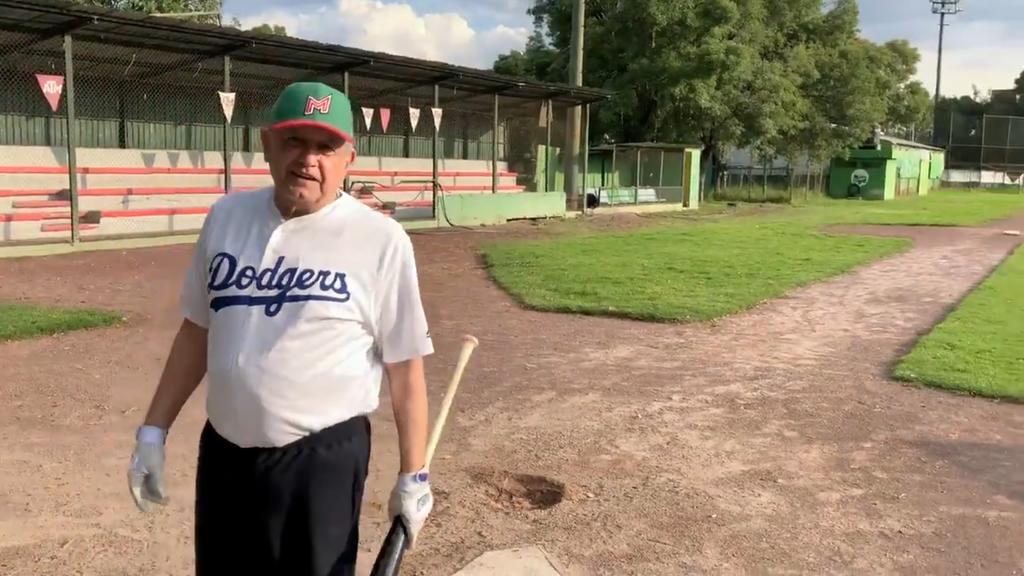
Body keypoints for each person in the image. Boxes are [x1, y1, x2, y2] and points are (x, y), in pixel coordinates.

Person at [126, 81, 435, 576]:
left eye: (325, 147)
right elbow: (196, 331)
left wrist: (413, 474)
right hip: (225, 451)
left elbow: (405, 370)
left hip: (321, 460)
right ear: (267, 144)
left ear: (348, 160)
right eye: (295, 141)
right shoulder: (225, 217)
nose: (308, 159)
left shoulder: (381, 240)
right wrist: (153, 429)